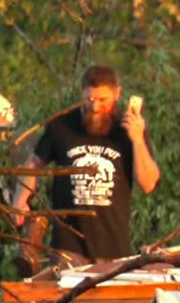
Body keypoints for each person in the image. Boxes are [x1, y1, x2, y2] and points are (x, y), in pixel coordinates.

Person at [10, 65, 160, 264]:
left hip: (113, 248)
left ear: (117, 94)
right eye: (89, 99)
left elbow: (148, 183)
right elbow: (33, 164)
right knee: (67, 294)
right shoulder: (61, 126)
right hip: (68, 248)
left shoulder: (129, 130)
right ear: (82, 94)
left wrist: (138, 139)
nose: (95, 107)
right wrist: (20, 199)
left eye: (102, 100)